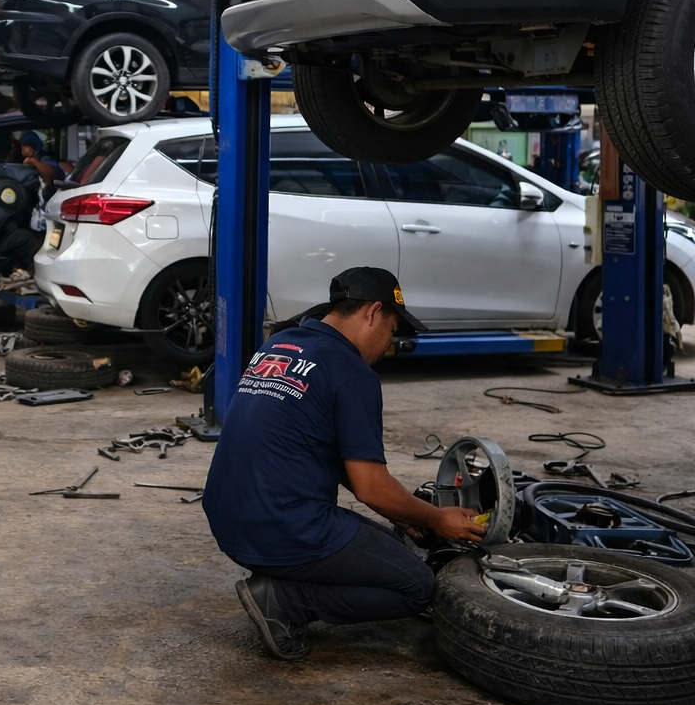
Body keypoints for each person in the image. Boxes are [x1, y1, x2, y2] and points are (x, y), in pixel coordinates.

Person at [201, 267, 486, 660]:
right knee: (416, 585)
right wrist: (437, 519)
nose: (388, 344)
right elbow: (370, 485)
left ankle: (282, 574)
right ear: (372, 312)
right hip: (285, 527)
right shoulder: (352, 371)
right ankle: (287, 601)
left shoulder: (281, 344)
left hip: (229, 521)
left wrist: (406, 513)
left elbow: (322, 449)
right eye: (391, 329)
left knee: (390, 545)